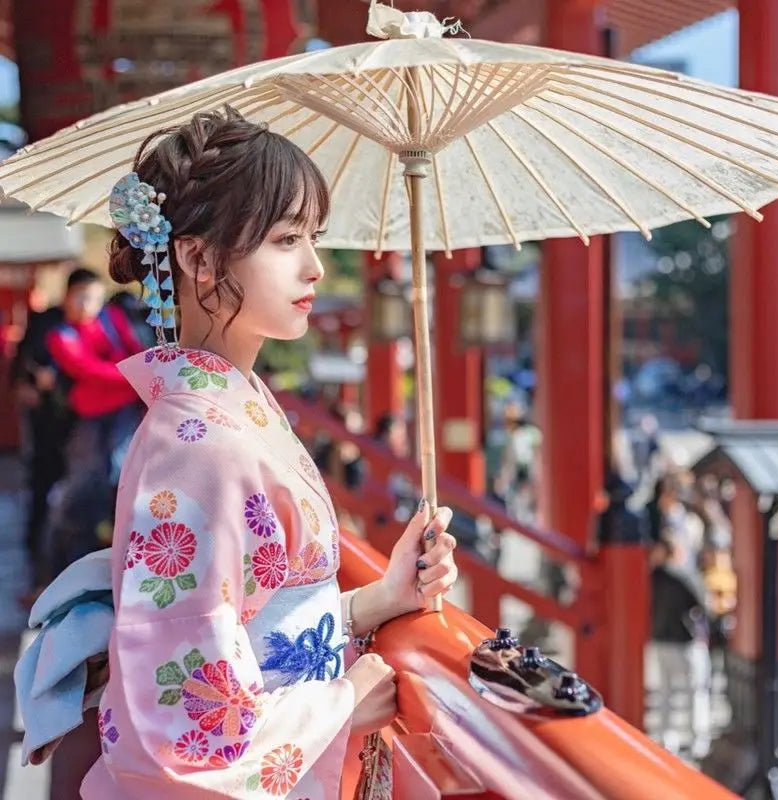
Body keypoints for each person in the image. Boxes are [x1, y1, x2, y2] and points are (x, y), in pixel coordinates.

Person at [75, 108, 458, 798]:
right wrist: (340, 704)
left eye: (312, 236)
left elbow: (257, 628)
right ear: (196, 257)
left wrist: (381, 598)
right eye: (286, 239)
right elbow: (182, 727)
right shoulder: (202, 446)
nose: (314, 265)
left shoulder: (230, 408)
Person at [43, 268, 145, 583]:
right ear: (67, 297)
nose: (89, 304)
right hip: (88, 422)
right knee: (84, 490)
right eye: (82, 297)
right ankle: (71, 568)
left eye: (95, 298)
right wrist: (134, 375)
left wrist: (135, 371)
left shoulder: (112, 319)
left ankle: (124, 561)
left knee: (124, 480)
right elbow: (89, 370)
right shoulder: (61, 336)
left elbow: (135, 352)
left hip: (125, 414)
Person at [11, 287, 72, 590]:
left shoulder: (95, 326)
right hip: (46, 428)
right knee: (42, 492)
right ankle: (37, 570)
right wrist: (28, 383)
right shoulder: (46, 323)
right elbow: (21, 368)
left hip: (76, 427)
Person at [650, 535, 712, 759]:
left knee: (667, 692)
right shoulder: (686, 577)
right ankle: (698, 740)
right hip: (686, 641)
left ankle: (668, 738)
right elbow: (703, 606)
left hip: (661, 640)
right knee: (695, 691)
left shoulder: (652, 577)